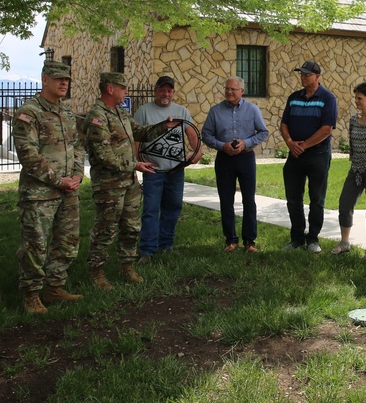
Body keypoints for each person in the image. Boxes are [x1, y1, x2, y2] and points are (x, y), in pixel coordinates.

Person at [84, 72, 178, 290]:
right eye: (122, 87)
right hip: (109, 185)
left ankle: (127, 266)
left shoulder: (121, 113)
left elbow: (141, 133)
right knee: (106, 228)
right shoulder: (97, 116)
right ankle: (97, 272)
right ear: (110, 89)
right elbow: (103, 155)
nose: (126, 91)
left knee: (131, 226)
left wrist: (162, 127)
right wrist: (134, 165)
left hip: (129, 183)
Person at [12, 60, 86, 315]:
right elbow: (28, 154)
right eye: (58, 79)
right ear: (44, 80)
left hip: (68, 190)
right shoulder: (29, 112)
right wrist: (58, 180)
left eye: (66, 79)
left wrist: (77, 175)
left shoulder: (66, 114)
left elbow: (77, 146)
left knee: (67, 242)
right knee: (35, 245)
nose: (64, 83)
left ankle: (55, 286)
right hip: (39, 194)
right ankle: (31, 294)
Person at [134, 75, 202, 264]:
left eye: (169, 90)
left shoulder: (181, 111)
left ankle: (166, 245)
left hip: (175, 171)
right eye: (162, 90)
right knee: (150, 209)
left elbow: (192, 134)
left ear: (173, 92)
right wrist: (138, 158)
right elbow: (136, 138)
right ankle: (147, 251)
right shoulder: (144, 111)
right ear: (156, 90)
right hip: (153, 171)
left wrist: (197, 153)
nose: (166, 93)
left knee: (173, 207)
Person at [201, 76, 270, 252]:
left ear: (242, 91)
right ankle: (230, 240)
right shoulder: (215, 111)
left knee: (249, 200)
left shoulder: (252, 110)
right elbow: (206, 135)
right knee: (226, 200)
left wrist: (245, 143)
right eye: (227, 89)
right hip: (224, 159)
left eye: (233, 89)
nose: (229, 92)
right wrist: (221, 146)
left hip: (246, 158)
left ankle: (250, 241)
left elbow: (263, 132)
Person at [280, 60, 338, 253]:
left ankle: (312, 239)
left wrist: (303, 145)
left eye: (307, 74)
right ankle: (296, 238)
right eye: (301, 74)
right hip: (295, 154)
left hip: (317, 155)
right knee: (293, 198)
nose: (303, 77)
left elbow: (326, 129)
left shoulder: (327, 98)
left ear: (317, 76)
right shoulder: (293, 97)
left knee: (317, 198)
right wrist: (290, 142)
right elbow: (284, 124)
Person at [333, 82, 366, 257]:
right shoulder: (354, 120)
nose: (356, 101)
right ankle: (344, 242)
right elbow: (353, 146)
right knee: (345, 204)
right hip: (355, 170)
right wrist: (354, 163)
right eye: (355, 97)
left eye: (360, 98)